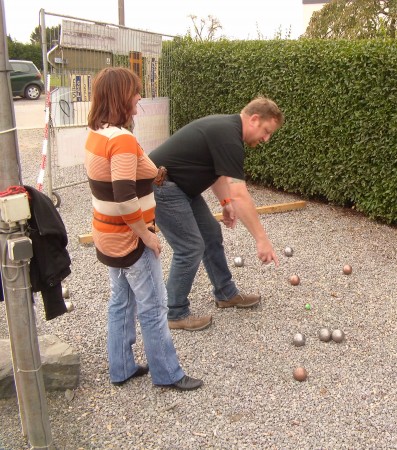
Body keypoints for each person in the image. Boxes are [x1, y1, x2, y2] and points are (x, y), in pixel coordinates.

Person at [84, 67, 202, 390]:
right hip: (129, 239)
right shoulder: (121, 140)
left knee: (121, 301)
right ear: (122, 96)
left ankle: (120, 368)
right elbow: (124, 197)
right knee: (153, 306)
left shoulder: (97, 133)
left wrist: (152, 172)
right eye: (135, 92)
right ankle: (167, 374)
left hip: (105, 235)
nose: (139, 98)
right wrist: (147, 235)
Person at [149, 96, 284, 331]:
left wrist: (225, 201)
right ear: (253, 119)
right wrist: (262, 240)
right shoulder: (229, 136)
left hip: (179, 187)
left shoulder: (228, 131)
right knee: (190, 247)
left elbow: (220, 174)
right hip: (162, 186)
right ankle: (175, 312)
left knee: (211, 233)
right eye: (265, 131)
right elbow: (241, 194)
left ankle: (225, 293)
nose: (266, 139)